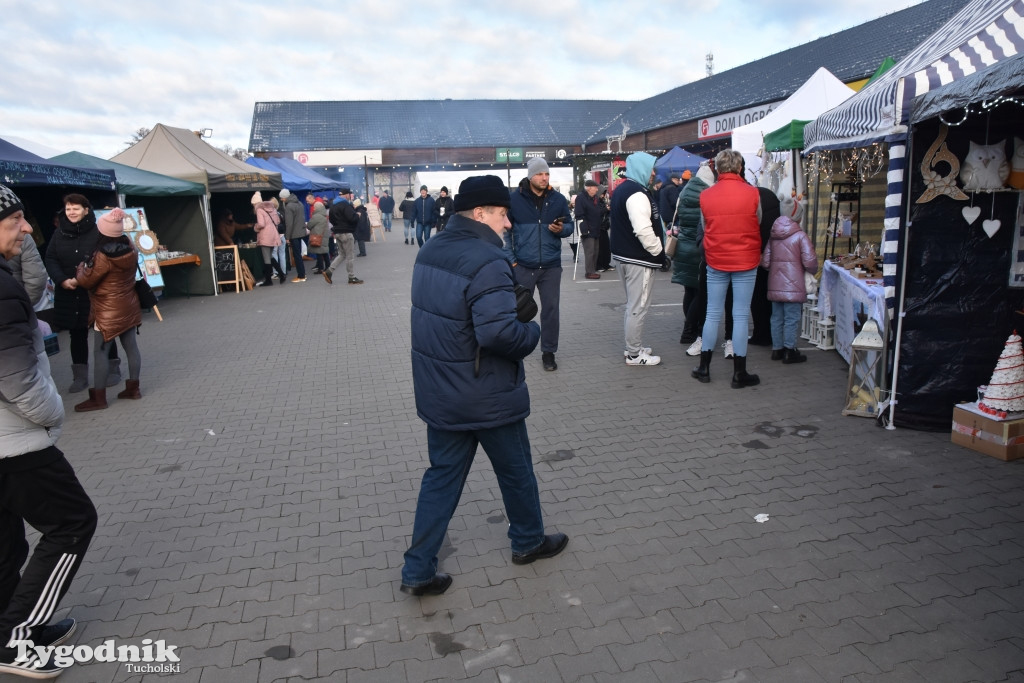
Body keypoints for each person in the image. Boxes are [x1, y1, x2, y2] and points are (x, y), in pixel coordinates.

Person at [401, 175, 567, 596]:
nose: (509, 223)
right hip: (486, 391)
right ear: (480, 214)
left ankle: (418, 569)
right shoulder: (488, 259)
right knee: (517, 472)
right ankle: (528, 541)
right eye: (502, 214)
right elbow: (499, 335)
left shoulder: (431, 250)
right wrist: (530, 334)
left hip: (442, 390)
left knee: (440, 478)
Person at [0, 183, 98, 679]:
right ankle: (15, 637)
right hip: (12, 440)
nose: (26, 227)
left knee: (6, 542)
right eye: (15, 220)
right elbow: (14, 376)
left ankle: (12, 629)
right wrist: (53, 410)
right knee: (73, 522)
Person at [692, 149, 762, 388]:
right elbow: (758, 219)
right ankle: (739, 373)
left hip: (716, 258)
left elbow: (704, 224)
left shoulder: (706, 195)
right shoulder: (752, 193)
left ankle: (704, 368)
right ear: (740, 168)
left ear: (718, 169)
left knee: (712, 313)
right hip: (745, 258)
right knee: (740, 315)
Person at [44, 194, 120, 394]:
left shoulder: (98, 231)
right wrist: (62, 279)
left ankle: (113, 369)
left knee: (103, 330)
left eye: (75, 208)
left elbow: (107, 258)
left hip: (96, 292)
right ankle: (80, 377)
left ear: (86, 210)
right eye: (68, 209)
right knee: (76, 334)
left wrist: (86, 279)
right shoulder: (59, 233)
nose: (71, 213)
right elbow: (50, 258)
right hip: (69, 293)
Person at [71, 208, 144, 412]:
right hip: (129, 304)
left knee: (100, 352)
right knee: (131, 347)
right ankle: (134, 389)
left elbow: (86, 281)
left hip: (106, 311)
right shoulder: (130, 249)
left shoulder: (102, 255)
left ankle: (99, 398)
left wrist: (80, 268)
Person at [505, 157, 572, 372]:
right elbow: (504, 232)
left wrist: (561, 230)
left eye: (547, 174)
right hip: (523, 265)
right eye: (539, 174)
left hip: (551, 266)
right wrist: (512, 261)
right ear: (530, 176)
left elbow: (570, 225)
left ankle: (549, 353)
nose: (544, 178)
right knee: (518, 309)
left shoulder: (558, 199)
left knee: (551, 310)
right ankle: (516, 349)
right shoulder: (514, 200)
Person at [610, 152, 669, 366]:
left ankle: (632, 347)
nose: (654, 173)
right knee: (638, 306)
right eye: (651, 168)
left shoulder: (624, 189)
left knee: (633, 305)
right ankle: (634, 353)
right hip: (638, 260)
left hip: (625, 257)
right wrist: (658, 251)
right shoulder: (636, 193)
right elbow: (643, 229)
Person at [762, 193, 817, 364]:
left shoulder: (773, 236)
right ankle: (789, 350)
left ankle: (777, 349)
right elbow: (810, 262)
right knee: (792, 318)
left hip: (775, 283)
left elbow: (765, 262)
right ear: (796, 216)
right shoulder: (800, 236)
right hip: (794, 285)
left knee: (776, 317)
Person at [671, 164, 714, 352]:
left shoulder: (684, 191)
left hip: (683, 246)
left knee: (689, 290)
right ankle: (690, 330)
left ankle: (690, 327)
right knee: (700, 291)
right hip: (698, 247)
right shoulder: (708, 194)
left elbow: (677, 217)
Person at [750, 186, 782, 346]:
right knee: (768, 295)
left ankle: (760, 333)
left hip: (756, 253)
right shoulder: (768, 194)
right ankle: (770, 333)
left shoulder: (753, 197)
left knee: (757, 296)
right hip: (772, 252)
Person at [324, 187, 363, 285]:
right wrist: (357, 215)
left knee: (342, 254)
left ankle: (329, 271)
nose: (350, 196)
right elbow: (352, 218)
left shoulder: (333, 205)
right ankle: (351, 277)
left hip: (337, 232)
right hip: (346, 232)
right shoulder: (346, 205)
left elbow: (331, 220)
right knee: (349, 256)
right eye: (349, 194)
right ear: (346, 195)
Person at [251, 192, 286, 286]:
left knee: (267, 259)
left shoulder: (259, 210)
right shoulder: (272, 208)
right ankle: (282, 274)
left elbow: (261, 224)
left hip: (265, 235)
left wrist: (255, 227)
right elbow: (278, 221)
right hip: (273, 234)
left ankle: (269, 280)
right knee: (270, 257)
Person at [575, 179, 604, 279]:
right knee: (590, 252)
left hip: (596, 229)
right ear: (589, 188)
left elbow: (598, 211)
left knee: (595, 251)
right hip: (587, 230)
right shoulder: (581, 198)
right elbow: (579, 214)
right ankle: (589, 272)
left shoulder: (594, 198)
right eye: (595, 188)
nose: (597, 190)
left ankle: (593, 270)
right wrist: (584, 229)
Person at [280, 189, 307, 282]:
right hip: (301, 231)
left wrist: (287, 237)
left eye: (282, 198)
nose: (281, 200)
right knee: (298, 254)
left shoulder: (289, 206)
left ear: (285, 197)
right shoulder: (299, 203)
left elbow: (289, 223)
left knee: (297, 255)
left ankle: (301, 276)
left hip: (294, 234)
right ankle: (302, 274)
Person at [306, 200, 331, 275]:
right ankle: (328, 266)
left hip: (318, 236)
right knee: (324, 252)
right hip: (324, 235)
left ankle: (320, 268)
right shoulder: (324, 214)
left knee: (319, 253)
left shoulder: (316, 216)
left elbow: (309, 225)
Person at [595, 185, 614, 272]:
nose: (603, 195)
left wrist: (608, 210)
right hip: (598, 227)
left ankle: (606, 264)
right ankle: (599, 265)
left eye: (604, 194)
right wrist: (606, 209)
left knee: (606, 247)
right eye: (602, 194)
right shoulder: (595, 202)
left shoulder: (602, 201)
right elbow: (597, 213)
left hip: (604, 227)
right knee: (599, 248)